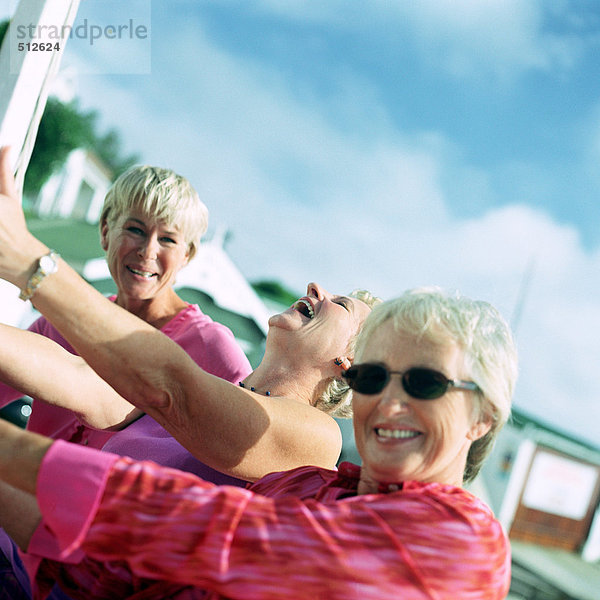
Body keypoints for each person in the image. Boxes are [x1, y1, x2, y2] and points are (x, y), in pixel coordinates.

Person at [0, 146, 380, 597]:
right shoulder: (216, 390)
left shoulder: (318, 437)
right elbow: (85, 380)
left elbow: (169, 389)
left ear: (348, 363)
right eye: (135, 230)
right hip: (38, 557)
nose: (317, 287)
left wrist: (28, 260)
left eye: (339, 303)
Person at [0, 287, 518, 599]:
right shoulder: (314, 486)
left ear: (483, 418)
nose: (390, 400)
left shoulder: (316, 435)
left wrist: (35, 268)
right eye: (375, 377)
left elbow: (203, 521)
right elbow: (91, 384)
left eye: (425, 383)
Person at [0, 158, 254, 599]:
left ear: (189, 255)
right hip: (18, 545)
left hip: (102, 574)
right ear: (105, 231)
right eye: (135, 229)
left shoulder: (216, 351)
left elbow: (237, 471)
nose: (148, 250)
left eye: (169, 239)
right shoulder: (60, 321)